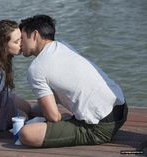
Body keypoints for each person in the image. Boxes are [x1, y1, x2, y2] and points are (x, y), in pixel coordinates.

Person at [18, 15, 128, 148]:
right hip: (121, 110)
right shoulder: (63, 46)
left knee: (26, 134)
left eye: (22, 38)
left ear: (35, 35)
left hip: (100, 127)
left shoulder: (36, 68)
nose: (20, 44)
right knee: (36, 110)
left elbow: (53, 117)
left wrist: (50, 117)